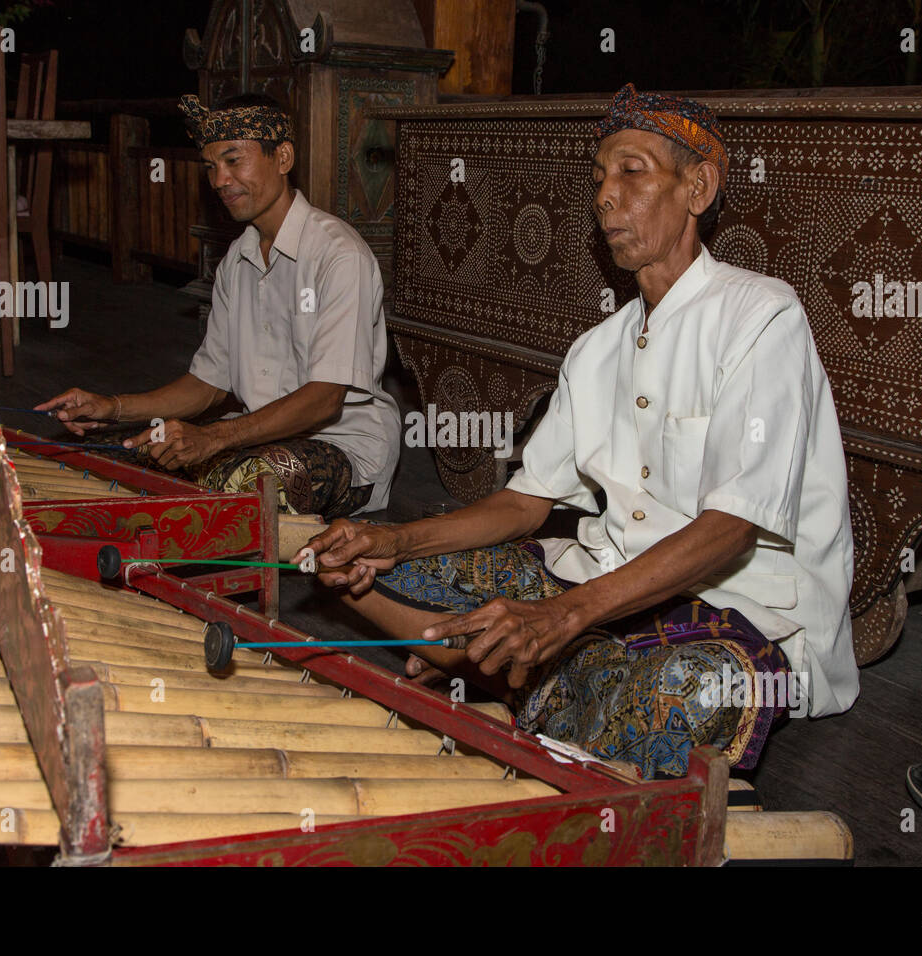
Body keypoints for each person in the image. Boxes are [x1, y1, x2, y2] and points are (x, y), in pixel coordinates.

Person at [302, 83, 858, 779]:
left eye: (632, 172)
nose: (605, 196)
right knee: (366, 572)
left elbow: (732, 529)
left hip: (735, 612)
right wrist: (394, 537)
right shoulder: (598, 348)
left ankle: (509, 678)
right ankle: (537, 682)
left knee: (697, 692)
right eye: (597, 179)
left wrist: (563, 617)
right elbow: (526, 503)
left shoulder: (761, 317)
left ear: (699, 187)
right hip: (596, 585)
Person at [37, 93, 400, 517]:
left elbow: (325, 400)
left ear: (283, 157)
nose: (220, 181)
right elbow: (208, 384)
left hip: (345, 447)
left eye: (233, 161)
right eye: (211, 167)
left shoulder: (338, 255)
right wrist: (112, 407)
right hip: (253, 437)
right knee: (116, 463)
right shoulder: (237, 262)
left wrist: (213, 440)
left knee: (241, 487)